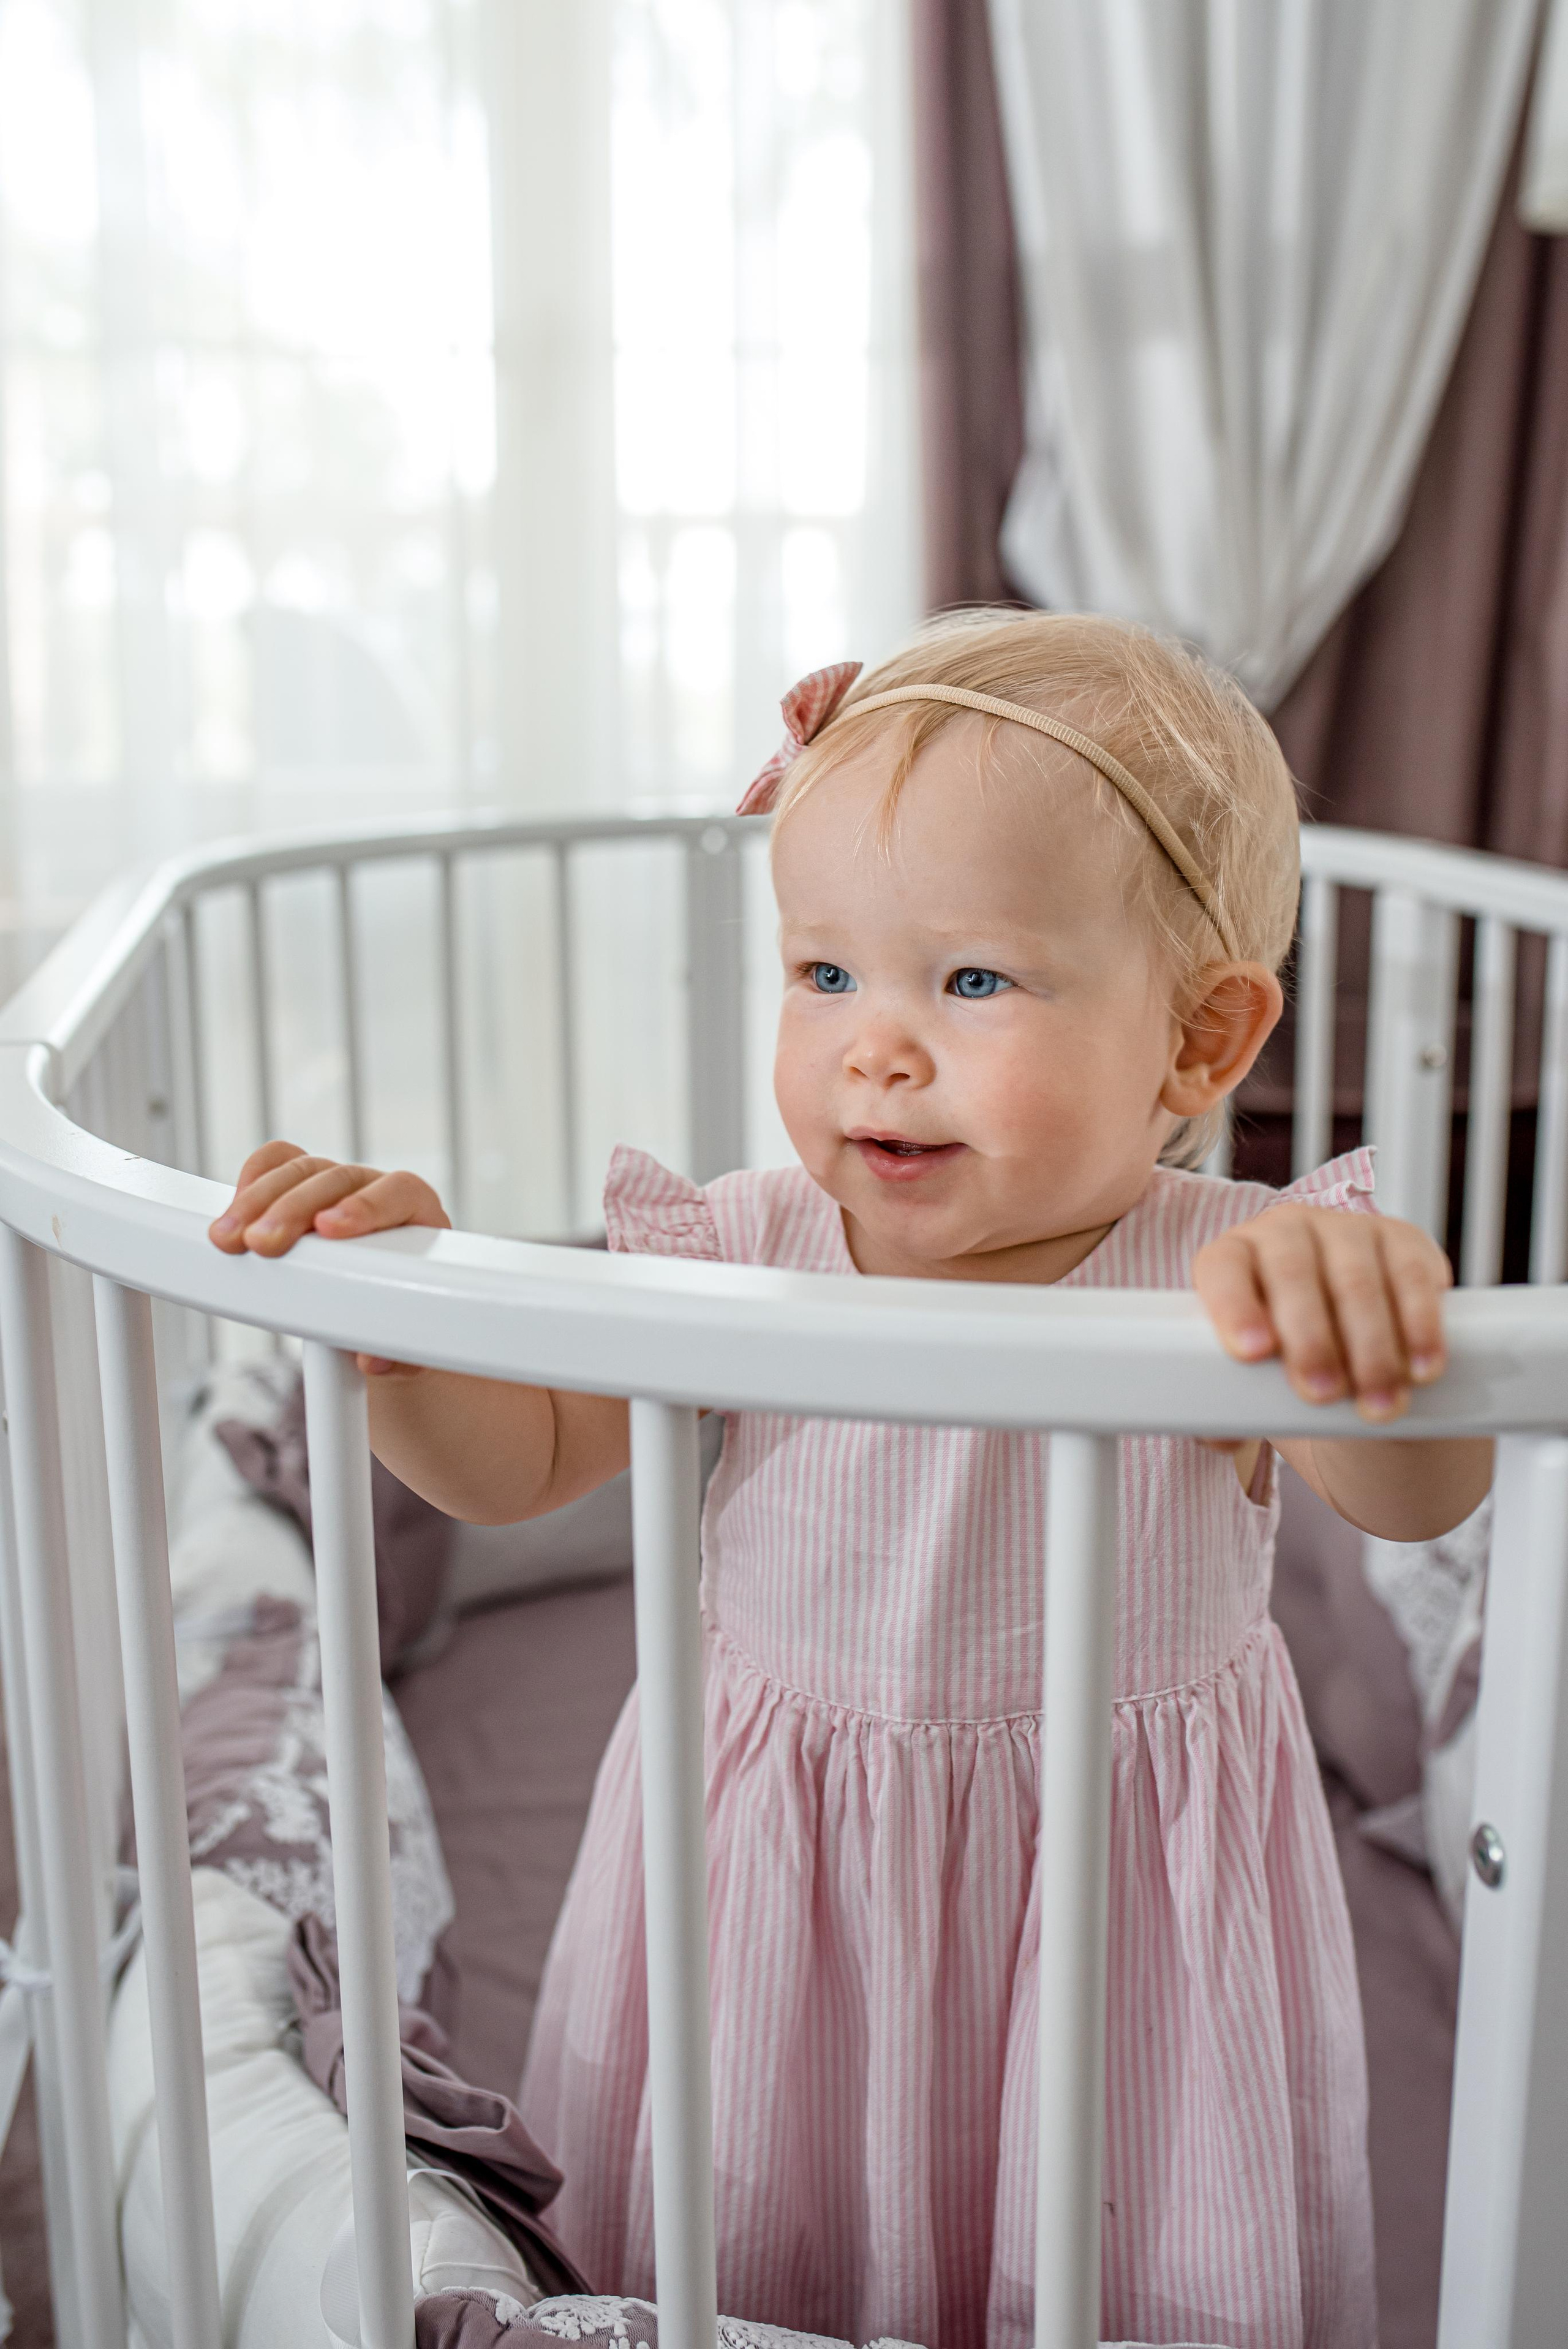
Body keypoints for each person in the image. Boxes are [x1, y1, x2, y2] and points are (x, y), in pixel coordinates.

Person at [210, 612, 1491, 2349]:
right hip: (778, 1897)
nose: (874, 1047)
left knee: (1107, 2253)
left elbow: (1411, 1507)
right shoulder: (753, 1242)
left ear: (1201, 1039)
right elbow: (525, 1465)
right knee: (756, 2244)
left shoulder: (1236, 1270)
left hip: (1110, 1917)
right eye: (825, 975)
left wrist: (1372, 1339)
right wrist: (403, 1343)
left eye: (970, 981)